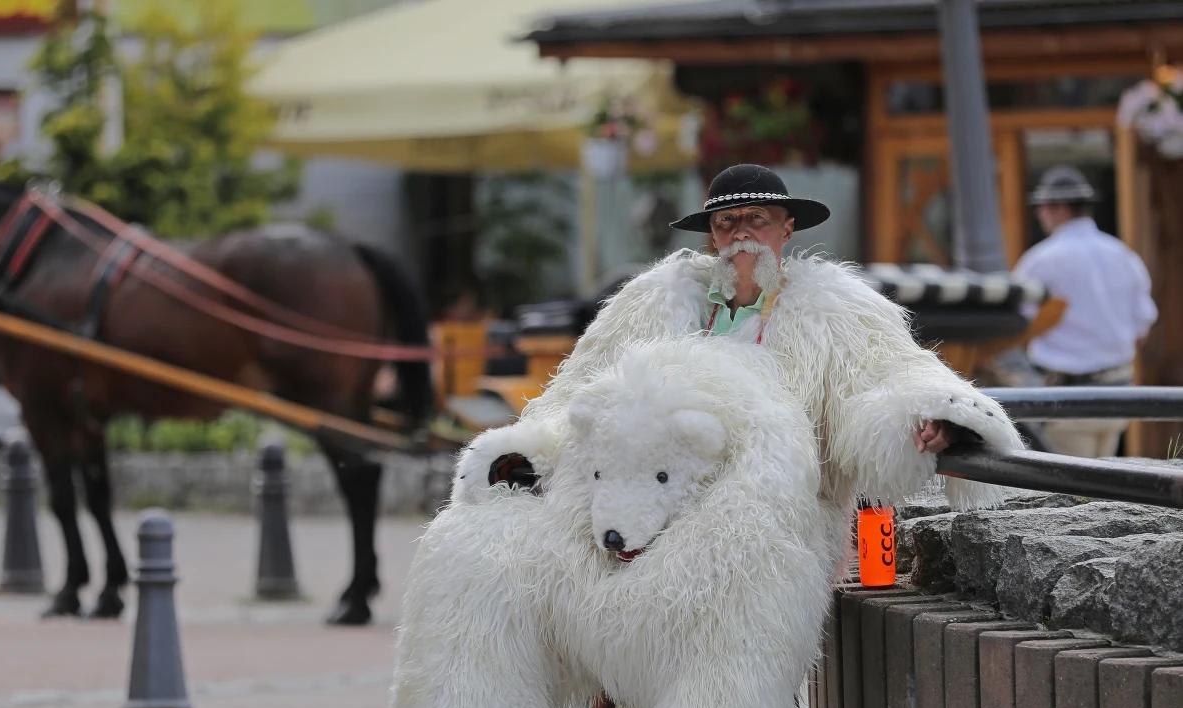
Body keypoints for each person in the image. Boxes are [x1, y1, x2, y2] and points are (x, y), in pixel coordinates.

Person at [463, 163, 1025, 574]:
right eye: (728, 223)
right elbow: (580, 391)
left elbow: (893, 371)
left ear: (786, 231)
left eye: (756, 219)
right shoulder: (652, 303)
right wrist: (533, 451)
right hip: (652, 505)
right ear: (712, 237)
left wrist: (933, 412)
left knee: (738, 581)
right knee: (501, 558)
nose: (741, 234)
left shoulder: (836, 309)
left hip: (773, 509)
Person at [1013, 166, 1158, 458]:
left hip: (1069, 398)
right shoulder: (1123, 255)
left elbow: (1016, 324)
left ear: (1060, 208)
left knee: (1073, 493)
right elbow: (1142, 329)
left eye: (1043, 206)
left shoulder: (1042, 260)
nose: (1039, 214)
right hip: (1118, 394)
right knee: (1106, 486)